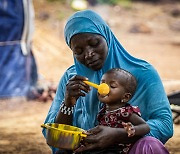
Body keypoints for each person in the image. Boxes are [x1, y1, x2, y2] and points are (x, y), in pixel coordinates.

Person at [42, 10, 173, 154]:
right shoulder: (71, 79)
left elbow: (165, 124)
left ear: (107, 36)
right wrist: (67, 104)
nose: (89, 54)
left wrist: (117, 135)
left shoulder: (142, 73)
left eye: (94, 43)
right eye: (78, 51)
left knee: (150, 145)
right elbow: (54, 137)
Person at [79, 68, 150, 154]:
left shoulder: (126, 112)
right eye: (102, 83)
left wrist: (132, 129)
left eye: (112, 86)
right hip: (104, 147)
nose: (103, 88)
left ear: (125, 97)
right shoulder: (103, 110)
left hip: (117, 150)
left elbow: (146, 127)